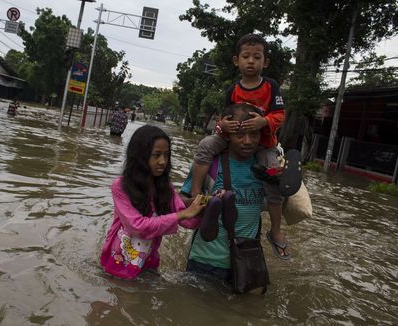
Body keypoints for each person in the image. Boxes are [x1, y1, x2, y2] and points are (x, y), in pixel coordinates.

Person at [189, 34, 291, 260]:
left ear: (265, 62)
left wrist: (263, 122)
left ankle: (275, 230)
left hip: (264, 143)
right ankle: (195, 193)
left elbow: (280, 115)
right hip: (231, 137)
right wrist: (222, 125)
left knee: (274, 182)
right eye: (246, 56)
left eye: (257, 57)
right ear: (237, 60)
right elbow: (223, 117)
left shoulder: (271, 86)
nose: (251, 61)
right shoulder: (233, 89)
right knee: (206, 145)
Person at [100, 125, 206, 279]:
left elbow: (189, 222)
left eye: (166, 155)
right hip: (117, 260)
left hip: (149, 261)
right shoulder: (121, 186)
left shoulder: (165, 188)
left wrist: (205, 205)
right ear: (140, 155)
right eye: (156, 155)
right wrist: (181, 214)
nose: (163, 161)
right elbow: (137, 226)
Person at [183, 103, 265, 281]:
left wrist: (283, 180)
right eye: (239, 135)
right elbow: (182, 201)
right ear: (227, 135)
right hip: (204, 262)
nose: (248, 141)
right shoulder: (209, 165)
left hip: (246, 263)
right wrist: (207, 202)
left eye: (254, 134)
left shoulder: (266, 168)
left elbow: (285, 207)